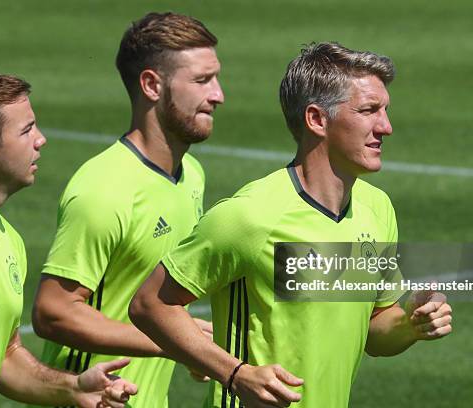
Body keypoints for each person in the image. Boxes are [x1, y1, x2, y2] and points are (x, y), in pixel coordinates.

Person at [129, 42, 453, 408]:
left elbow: (374, 332)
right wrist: (235, 373)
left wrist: (411, 323)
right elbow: (150, 305)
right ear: (317, 120)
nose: (386, 126)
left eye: (385, 111)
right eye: (368, 110)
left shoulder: (376, 210)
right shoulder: (249, 217)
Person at [31, 12, 223, 408]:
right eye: (202, 80)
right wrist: (175, 343)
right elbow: (53, 313)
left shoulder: (191, 175)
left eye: (216, 77)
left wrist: (183, 344)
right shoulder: (104, 189)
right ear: (152, 85)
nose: (219, 94)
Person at [0, 73, 137, 408]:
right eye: (26, 129)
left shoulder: (8, 241)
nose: (41, 139)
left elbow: (5, 358)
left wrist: (73, 388)